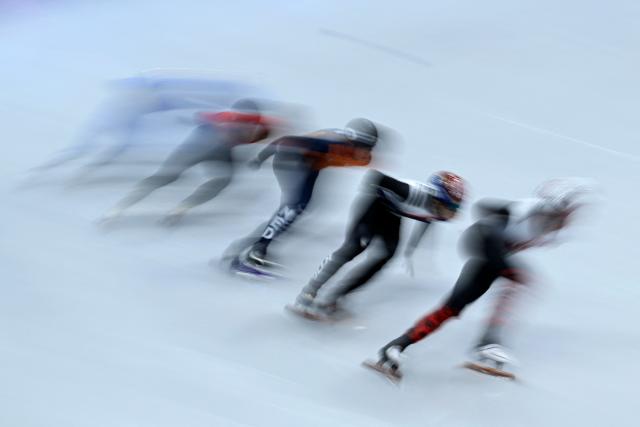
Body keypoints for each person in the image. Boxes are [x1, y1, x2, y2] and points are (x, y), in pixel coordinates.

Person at [368, 180, 590, 378]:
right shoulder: (527, 209)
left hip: (494, 253)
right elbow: (485, 208)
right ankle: (488, 342)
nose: (570, 218)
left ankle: (395, 347)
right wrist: (503, 259)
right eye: (568, 212)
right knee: (519, 280)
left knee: (453, 307)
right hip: (485, 240)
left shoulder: (555, 229)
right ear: (556, 208)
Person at [288, 169, 466, 319]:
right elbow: (377, 177)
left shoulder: (440, 211)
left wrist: (412, 250)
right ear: (436, 198)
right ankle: (309, 292)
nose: (451, 213)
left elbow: (427, 221)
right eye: (449, 207)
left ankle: (335, 297)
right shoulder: (411, 192)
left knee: (386, 256)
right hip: (375, 205)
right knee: (354, 248)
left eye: (456, 208)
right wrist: (370, 192)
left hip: (394, 214)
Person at [230, 118, 379, 276]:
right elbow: (285, 140)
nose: (366, 152)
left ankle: (260, 243)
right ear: (352, 141)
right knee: (294, 206)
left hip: (311, 163)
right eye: (363, 147)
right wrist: (260, 157)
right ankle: (256, 250)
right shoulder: (330, 144)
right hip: (292, 158)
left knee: (301, 206)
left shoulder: (356, 153)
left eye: (369, 148)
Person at [101, 99, 277, 224]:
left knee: (222, 179)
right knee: (167, 177)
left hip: (218, 149)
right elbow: (199, 116)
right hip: (199, 145)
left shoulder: (257, 127)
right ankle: (119, 208)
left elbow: (198, 116)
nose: (243, 127)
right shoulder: (229, 120)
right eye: (239, 121)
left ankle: (181, 207)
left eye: (248, 123)